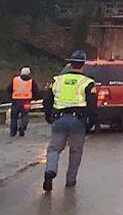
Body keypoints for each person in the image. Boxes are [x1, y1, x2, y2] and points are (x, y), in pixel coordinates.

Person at [42, 50, 97, 191]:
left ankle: (50, 171)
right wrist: (91, 122)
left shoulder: (56, 80)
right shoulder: (88, 82)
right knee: (76, 151)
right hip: (77, 121)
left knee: (54, 149)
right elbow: (92, 105)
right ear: (83, 64)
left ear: (70, 63)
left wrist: (48, 116)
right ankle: (70, 180)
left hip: (58, 119)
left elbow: (47, 100)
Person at [8, 67, 40, 137]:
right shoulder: (32, 81)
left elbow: (9, 89)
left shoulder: (15, 80)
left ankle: (13, 132)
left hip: (16, 101)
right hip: (26, 101)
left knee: (14, 117)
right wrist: (35, 98)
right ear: (29, 74)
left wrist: (11, 97)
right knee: (25, 115)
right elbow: (36, 91)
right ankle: (22, 127)